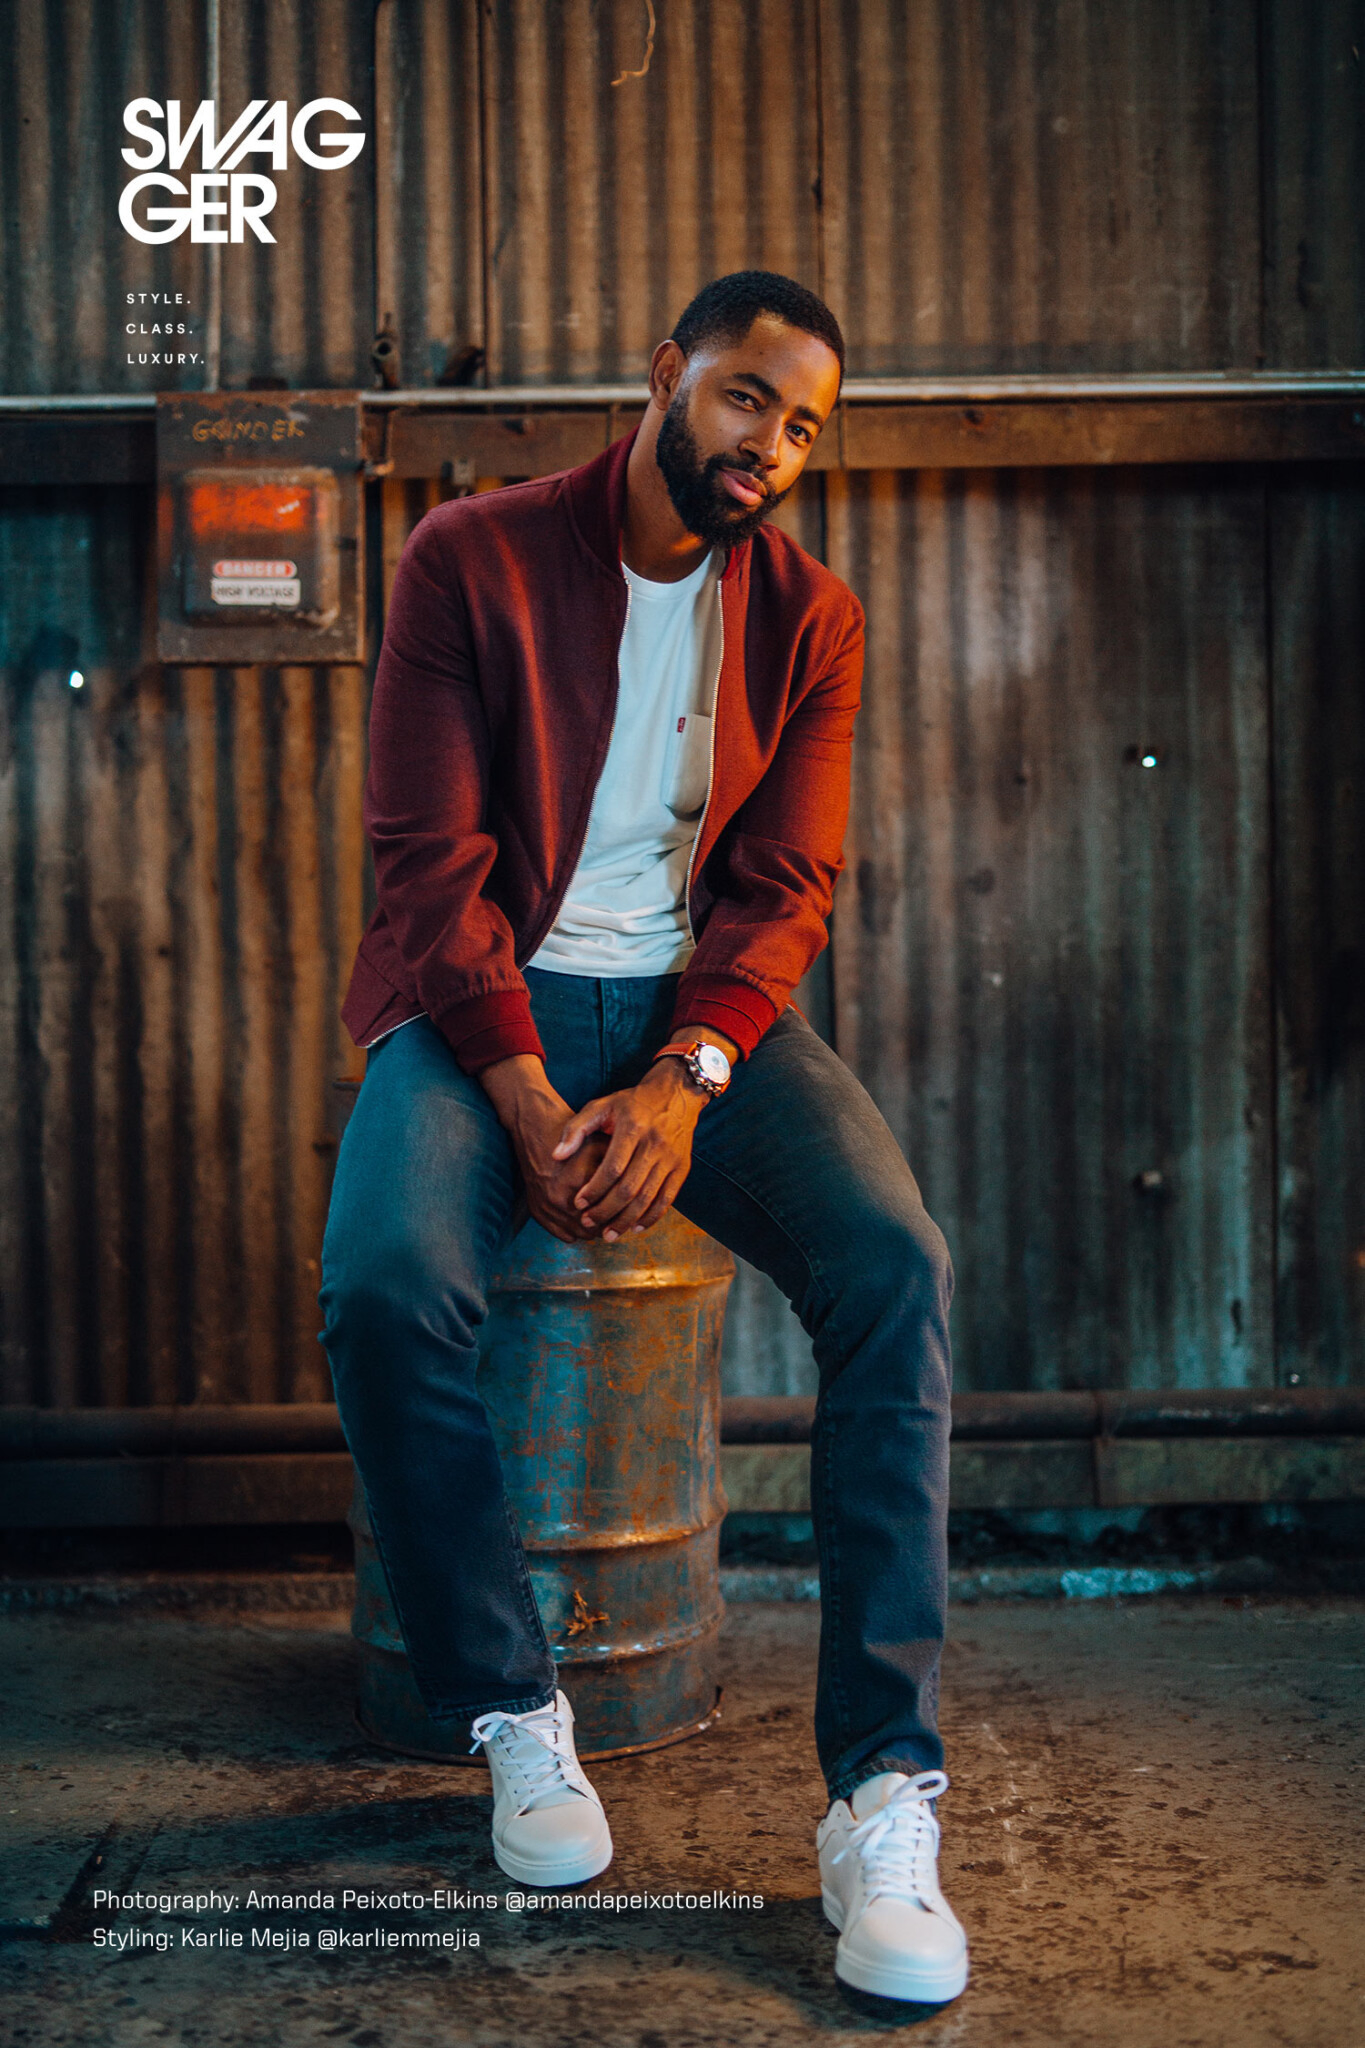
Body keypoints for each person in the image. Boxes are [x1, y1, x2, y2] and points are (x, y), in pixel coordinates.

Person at [319, 270, 968, 2006]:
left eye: (806, 428)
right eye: (750, 398)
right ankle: (514, 1709)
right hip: (484, 1005)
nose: (772, 446)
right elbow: (427, 862)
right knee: (383, 1287)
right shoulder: (469, 556)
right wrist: (525, 1089)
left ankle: (882, 1793)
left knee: (896, 1268)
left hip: (696, 1018)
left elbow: (787, 885)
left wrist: (688, 1074)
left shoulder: (812, 618)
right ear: (668, 374)